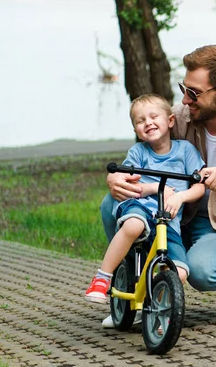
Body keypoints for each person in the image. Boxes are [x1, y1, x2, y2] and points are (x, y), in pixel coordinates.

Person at [99, 45, 216, 326]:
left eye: (193, 93)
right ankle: (134, 290)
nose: (185, 99)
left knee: (202, 271)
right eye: (184, 88)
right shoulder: (178, 116)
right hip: (177, 211)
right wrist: (115, 178)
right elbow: (142, 152)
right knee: (111, 203)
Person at [85, 94, 205, 303]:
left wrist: (179, 197)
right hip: (139, 207)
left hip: (168, 222)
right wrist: (157, 188)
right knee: (134, 225)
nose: (148, 122)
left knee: (181, 272)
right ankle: (102, 278)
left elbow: (200, 186)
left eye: (153, 116)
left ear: (170, 121)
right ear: (136, 131)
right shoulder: (139, 152)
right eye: (140, 121)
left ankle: (160, 310)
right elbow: (128, 186)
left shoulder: (185, 150)